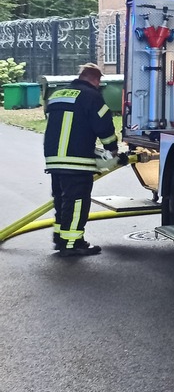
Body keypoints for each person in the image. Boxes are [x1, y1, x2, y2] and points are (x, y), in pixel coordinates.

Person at [43, 63, 124, 255]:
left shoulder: (57, 95)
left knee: (61, 200)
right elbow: (104, 126)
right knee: (77, 202)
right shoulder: (92, 97)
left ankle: (60, 239)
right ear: (96, 79)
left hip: (54, 158)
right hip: (76, 159)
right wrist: (112, 149)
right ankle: (72, 244)